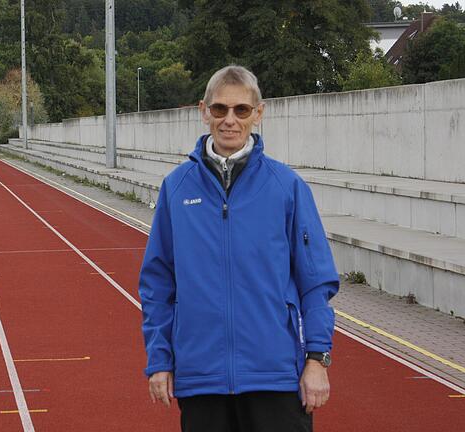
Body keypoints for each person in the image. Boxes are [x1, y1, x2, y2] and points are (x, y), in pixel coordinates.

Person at [138, 65, 339, 432]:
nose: (229, 120)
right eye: (220, 109)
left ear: (258, 114)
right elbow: (157, 285)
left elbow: (316, 283)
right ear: (204, 111)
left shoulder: (287, 187)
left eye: (241, 110)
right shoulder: (177, 188)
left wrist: (316, 360)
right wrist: (159, 360)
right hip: (202, 377)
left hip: (275, 375)